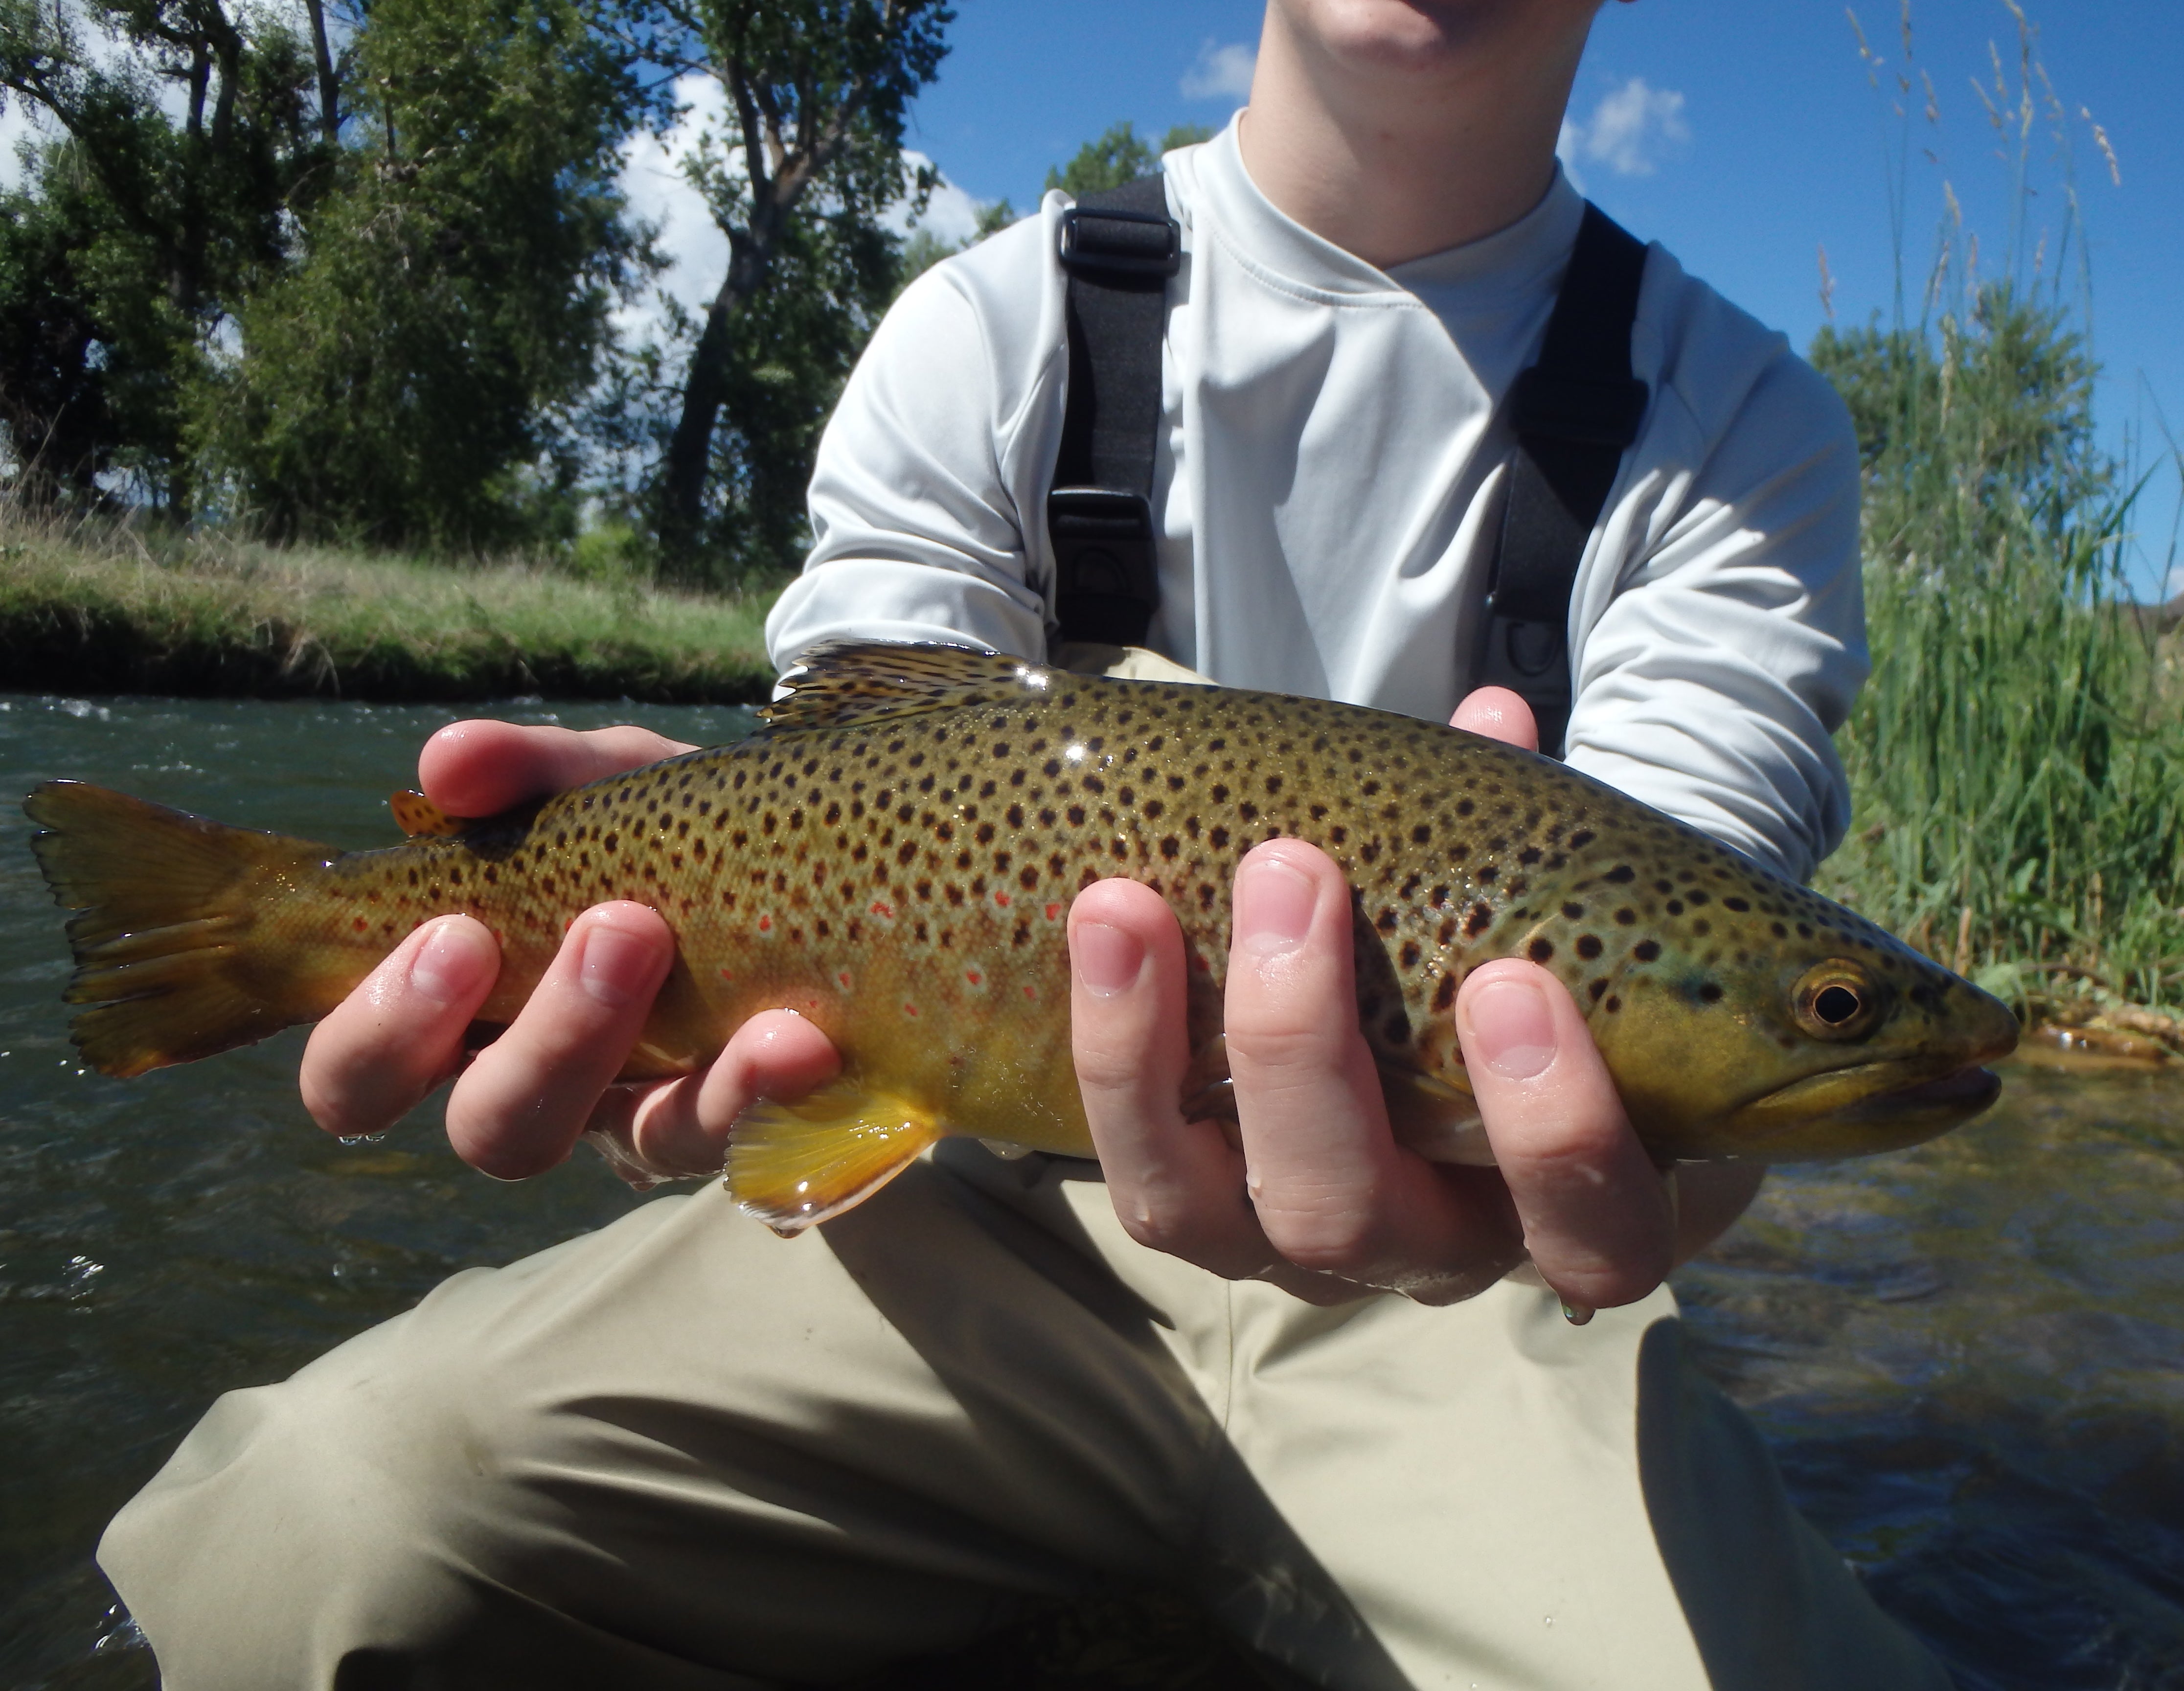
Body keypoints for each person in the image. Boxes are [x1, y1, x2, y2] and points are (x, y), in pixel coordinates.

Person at [97, 3, 1952, 1687]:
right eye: (1845, 1004)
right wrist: (627, 881)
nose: (1857, 1023)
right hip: (942, 1219)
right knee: (301, 1541)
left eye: (1838, 1004)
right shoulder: (989, 325)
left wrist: (1642, 1198)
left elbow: (1682, 1105)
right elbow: (845, 762)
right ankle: (260, 930)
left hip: (1481, 1303)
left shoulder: (1740, 432)